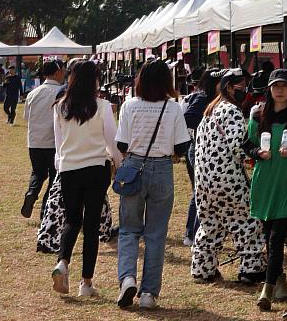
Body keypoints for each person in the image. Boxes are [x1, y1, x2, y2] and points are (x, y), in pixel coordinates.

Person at [114, 60, 191, 310]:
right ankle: (149, 293)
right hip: (162, 169)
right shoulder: (173, 107)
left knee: (128, 229)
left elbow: (122, 145)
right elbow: (182, 146)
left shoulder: (129, 105)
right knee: (156, 234)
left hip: (134, 167)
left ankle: (127, 277)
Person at [51, 60, 122, 297]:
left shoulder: (60, 107)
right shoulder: (102, 107)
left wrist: (61, 167)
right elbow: (112, 141)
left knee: (72, 220)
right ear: (95, 81)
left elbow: (58, 144)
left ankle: (62, 262)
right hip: (96, 168)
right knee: (91, 225)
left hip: (69, 169)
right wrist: (119, 164)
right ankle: (86, 283)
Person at [244, 69, 287, 311]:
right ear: (269, 90)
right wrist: (257, 153)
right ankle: (280, 279)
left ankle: (268, 289)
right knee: (269, 236)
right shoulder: (258, 116)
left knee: (275, 239)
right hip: (265, 183)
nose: (280, 90)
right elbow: (247, 145)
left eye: (285, 85)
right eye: (276, 86)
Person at [191, 68, 267, 284]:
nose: (244, 91)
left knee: (210, 226)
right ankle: (251, 270)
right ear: (227, 88)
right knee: (247, 223)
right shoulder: (231, 111)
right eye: (240, 87)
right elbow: (238, 144)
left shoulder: (209, 111)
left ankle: (202, 270)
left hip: (205, 181)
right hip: (228, 180)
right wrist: (258, 152)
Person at [21, 59, 65, 219]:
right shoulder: (61, 92)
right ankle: (45, 211)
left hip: (34, 141)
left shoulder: (33, 93)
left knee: (38, 173)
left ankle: (32, 193)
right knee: (54, 178)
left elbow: (26, 117)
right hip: (53, 142)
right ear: (58, 72)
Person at [180, 67, 219, 247]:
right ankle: (191, 232)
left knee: (203, 191)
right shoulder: (202, 98)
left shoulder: (208, 97)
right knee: (199, 191)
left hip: (205, 148)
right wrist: (206, 124)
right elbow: (187, 118)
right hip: (197, 148)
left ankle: (198, 231)